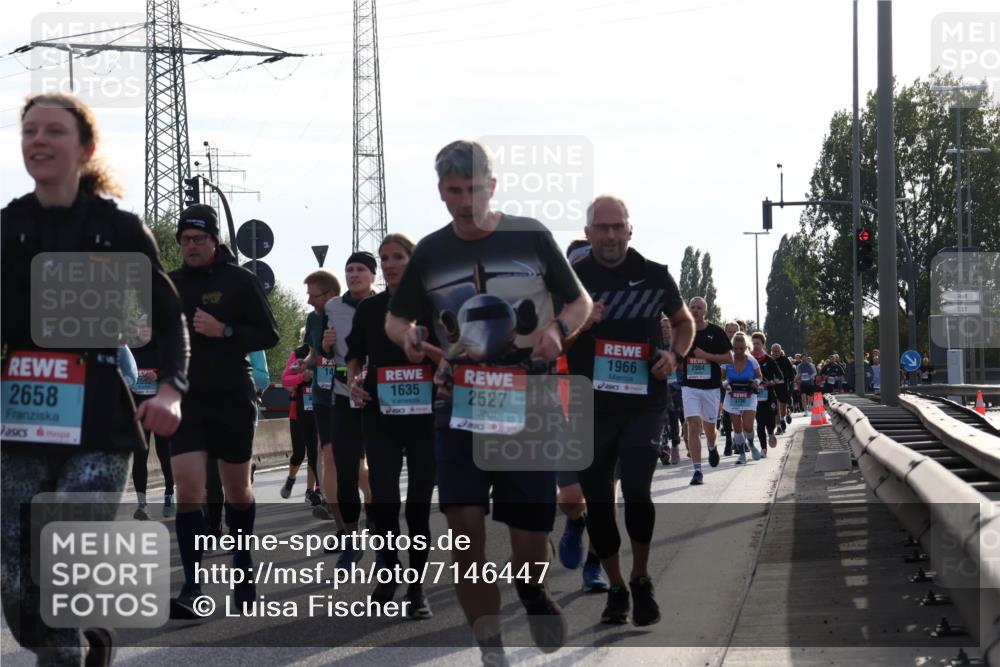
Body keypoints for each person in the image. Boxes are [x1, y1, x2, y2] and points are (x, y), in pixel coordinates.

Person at [385, 140, 592, 664]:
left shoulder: (530, 236)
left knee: (526, 547)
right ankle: (490, 646)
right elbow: (396, 317)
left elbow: (580, 301)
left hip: (528, 400)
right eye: (455, 191)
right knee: (465, 532)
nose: (467, 201)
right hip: (460, 405)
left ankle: (531, 591)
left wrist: (558, 329)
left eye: (475, 189)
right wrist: (406, 334)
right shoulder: (430, 252)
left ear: (492, 187)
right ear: (441, 193)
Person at [2, 92, 187, 666]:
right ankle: (78, 641)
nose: (38, 140)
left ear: (85, 147)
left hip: (102, 420)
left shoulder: (121, 229)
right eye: (29, 130)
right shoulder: (8, 228)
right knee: (14, 581)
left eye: (53, 131)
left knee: (61, 528)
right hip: (23, 419)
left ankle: (65, 652)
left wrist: (170, 391)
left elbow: (167, 319)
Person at [566, 194, 693, 626]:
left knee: (637, 488)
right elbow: (549, 339)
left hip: (643, 401)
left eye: (618, 226)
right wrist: (583, 322)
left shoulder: (653, 274)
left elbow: (683, 323)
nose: (611, 235)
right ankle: (616, 586)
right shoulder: (572, 281)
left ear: (630, 229)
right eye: (602, 228)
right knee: (599, 504)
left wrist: (674, 356)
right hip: (590, 406)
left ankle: (641, 576)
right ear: (588, 233)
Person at [167, 203, 279, 616]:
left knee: (237, 490)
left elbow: (270, 333)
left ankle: (244, 565)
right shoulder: (171, 284)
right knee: (189, 490)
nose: (191, 246)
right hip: (188, 399)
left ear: (215, 240)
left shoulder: (240, 281)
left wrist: (224, 330)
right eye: (185, 241)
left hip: (232, 394)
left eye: (198, 239)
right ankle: (193, 587)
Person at [345, 233, 437, 617]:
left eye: (398, 257)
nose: (390, 264)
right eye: (385, 258)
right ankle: (388, 570)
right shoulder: (370, 309)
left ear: (413, 261)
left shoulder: (433, 305)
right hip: (380, 416)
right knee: (383, 499)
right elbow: (353, 356)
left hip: (425, 419)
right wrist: (352, 381)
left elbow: (456, 354)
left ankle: (417, 589)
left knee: (417, 507)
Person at [324, 251, 377, 568]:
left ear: (373, 275)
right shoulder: (333, 307)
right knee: (344, 472)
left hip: (379, 399)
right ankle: (351, 540)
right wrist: (326, 347)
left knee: (379, 473)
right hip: (344, 396)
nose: (354, 274)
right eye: (349, 270)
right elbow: (325, 352)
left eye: (361, 269)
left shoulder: (386, 306)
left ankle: (381, 537)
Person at [294, 269, 345, 529]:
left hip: (348, 394)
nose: (308, 301)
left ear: (330, 294)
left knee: (357, 464)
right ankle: (332, 507)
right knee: (327, 454)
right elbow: (314, 353)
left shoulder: (348, 314)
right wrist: (305, 363)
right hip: (322, 395)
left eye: (313, 296)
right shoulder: (312, 320)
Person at [680, 297, 733, 484]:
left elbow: (729, 357)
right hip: (690, 387)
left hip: (711, 387)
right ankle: (697, 471)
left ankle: (711, 445)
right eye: (692, 307)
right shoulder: (684, 331)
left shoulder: (716, 332)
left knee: (710, 429)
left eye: (699, 308)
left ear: (705, 311)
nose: (695, 310)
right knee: (693, 425)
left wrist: (706, 356)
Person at [280, 329, 321, 504]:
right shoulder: (297, 355)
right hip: (299, 411)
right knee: (299, 452)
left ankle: (314, 490)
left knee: (316, 451)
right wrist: (301, 377)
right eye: (306, 338)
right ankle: (291, 479)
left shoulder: (329, 350)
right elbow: (285, 380)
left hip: (322, 410)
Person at [722, 332, 764, 464]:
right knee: (737, 427)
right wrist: (725, 384)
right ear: (732, 347)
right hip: (732, 396)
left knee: (748, 426)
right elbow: (722, 377)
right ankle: (741, 454)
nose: (739, 351)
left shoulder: (752, 361)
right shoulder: (727, 360)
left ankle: (751, 444)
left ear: (747, 347)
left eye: (742, 348)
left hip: (749, 396)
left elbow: (759, 377)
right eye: (736, 348)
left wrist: (756, 383)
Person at [750, 332, 783, 454]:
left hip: (769, 394)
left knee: (770, 418)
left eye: (758, 343)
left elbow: (780, 376)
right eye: (753, 344)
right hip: (755, 395)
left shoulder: (769, 360)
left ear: (763, 344)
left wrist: (771, 382)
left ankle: (771, 433)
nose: (755, 346)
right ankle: (763, 448)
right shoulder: (749, 360)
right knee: (759, 422)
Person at [771, 343, 795, 433]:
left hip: (783, 386)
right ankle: (779, 425)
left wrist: (783, 377)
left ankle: (783, 416)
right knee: (775, 406)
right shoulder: (769, 359)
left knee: (782, 406)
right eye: (775, 351)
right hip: (772, 386)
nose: (776, 353)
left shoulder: (785, 360)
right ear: (772, 351)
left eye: (778, 351)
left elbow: (791, 374)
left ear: (781, 351)